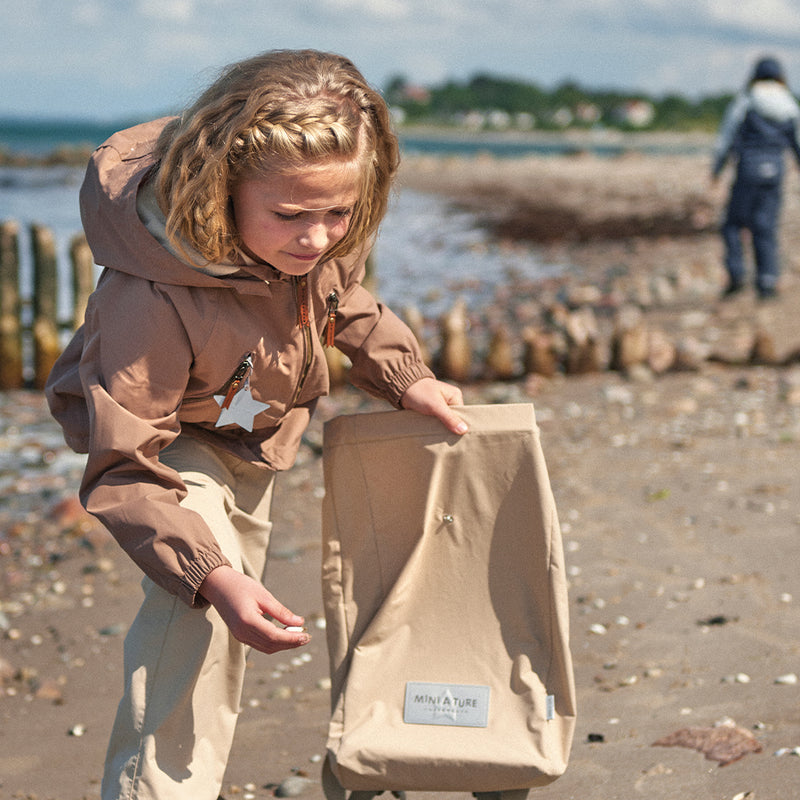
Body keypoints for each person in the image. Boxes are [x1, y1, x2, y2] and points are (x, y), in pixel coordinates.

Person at [45, 49, 467, 800]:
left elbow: (346, 302)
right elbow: (124, 469)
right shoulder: (149, 298)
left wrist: (409, 378)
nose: (315, 238)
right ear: (223, 187)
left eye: (338, 213)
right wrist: (211, 575)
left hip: (256, 439)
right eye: (291, 217)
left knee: (224, 627)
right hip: (172, 456)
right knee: (197, 624)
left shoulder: (314, 246)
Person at [712, 55, 800, 300]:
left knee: (732, 224)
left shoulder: (746, 101)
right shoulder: (789, 103)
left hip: (748, 170)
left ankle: (737, 274)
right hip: (775, 171)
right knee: (766, 226)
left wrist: (716, 170)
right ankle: (767, 281)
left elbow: (725, 139)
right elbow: (798, 142)